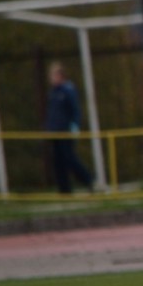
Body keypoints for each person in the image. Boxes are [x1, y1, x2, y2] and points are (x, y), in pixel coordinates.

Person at [44, 62, 93, 194]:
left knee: (70, 158)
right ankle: (64, 190)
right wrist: (49, 128)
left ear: (60, 75)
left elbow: (75, 109)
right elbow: (52, 113)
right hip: (55, 132)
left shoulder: (68, 90)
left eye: (53, 75)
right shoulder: (53, 92)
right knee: (58, 162)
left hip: (65, 131)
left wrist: (75, 125)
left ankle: (88, 180)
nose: (51, 78)